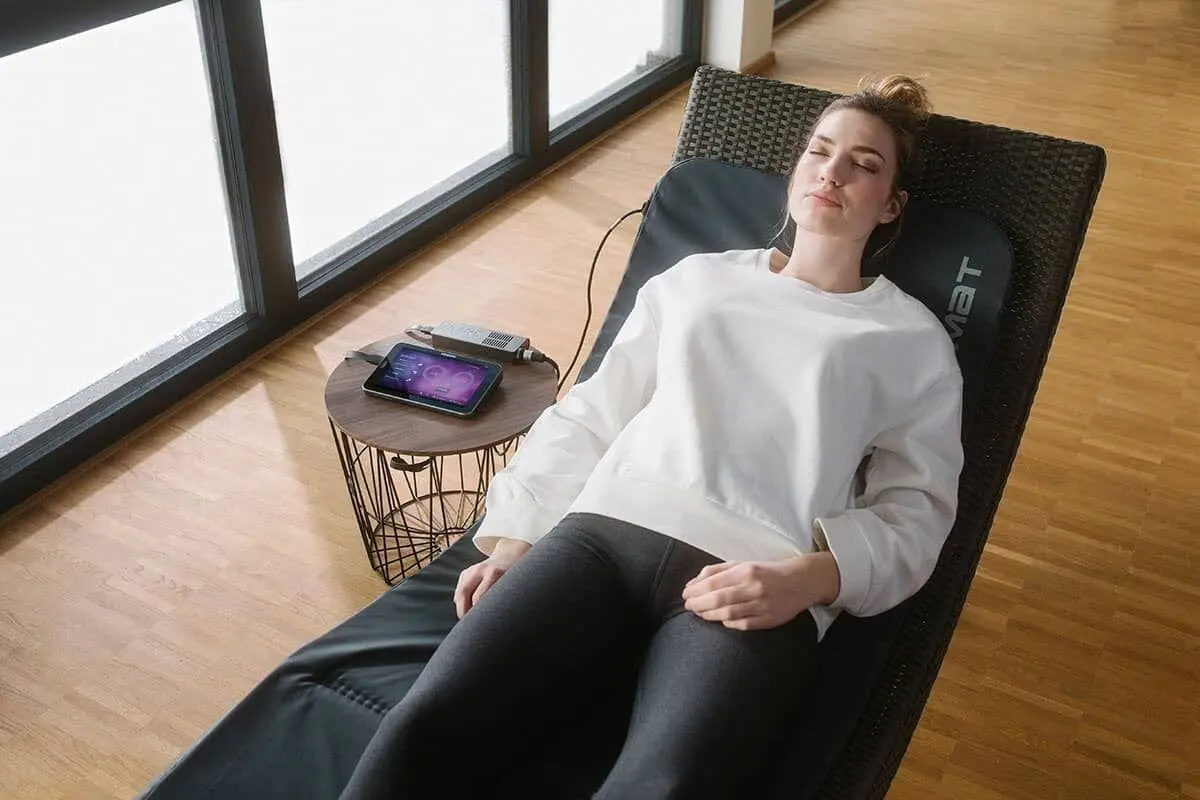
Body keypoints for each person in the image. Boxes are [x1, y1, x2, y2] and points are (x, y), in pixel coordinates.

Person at [339, 73, 964, 800]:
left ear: (891, 205)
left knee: (663, 788)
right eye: (820, 151)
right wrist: (519, 537)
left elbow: (918, 509)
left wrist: (810, 579)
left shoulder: (910, 339)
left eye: (864, 164)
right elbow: (595, 408)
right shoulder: (696, 281)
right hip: (603, 537)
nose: (833, 171)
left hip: (753, 575)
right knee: (427, 726)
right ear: (795, 170)